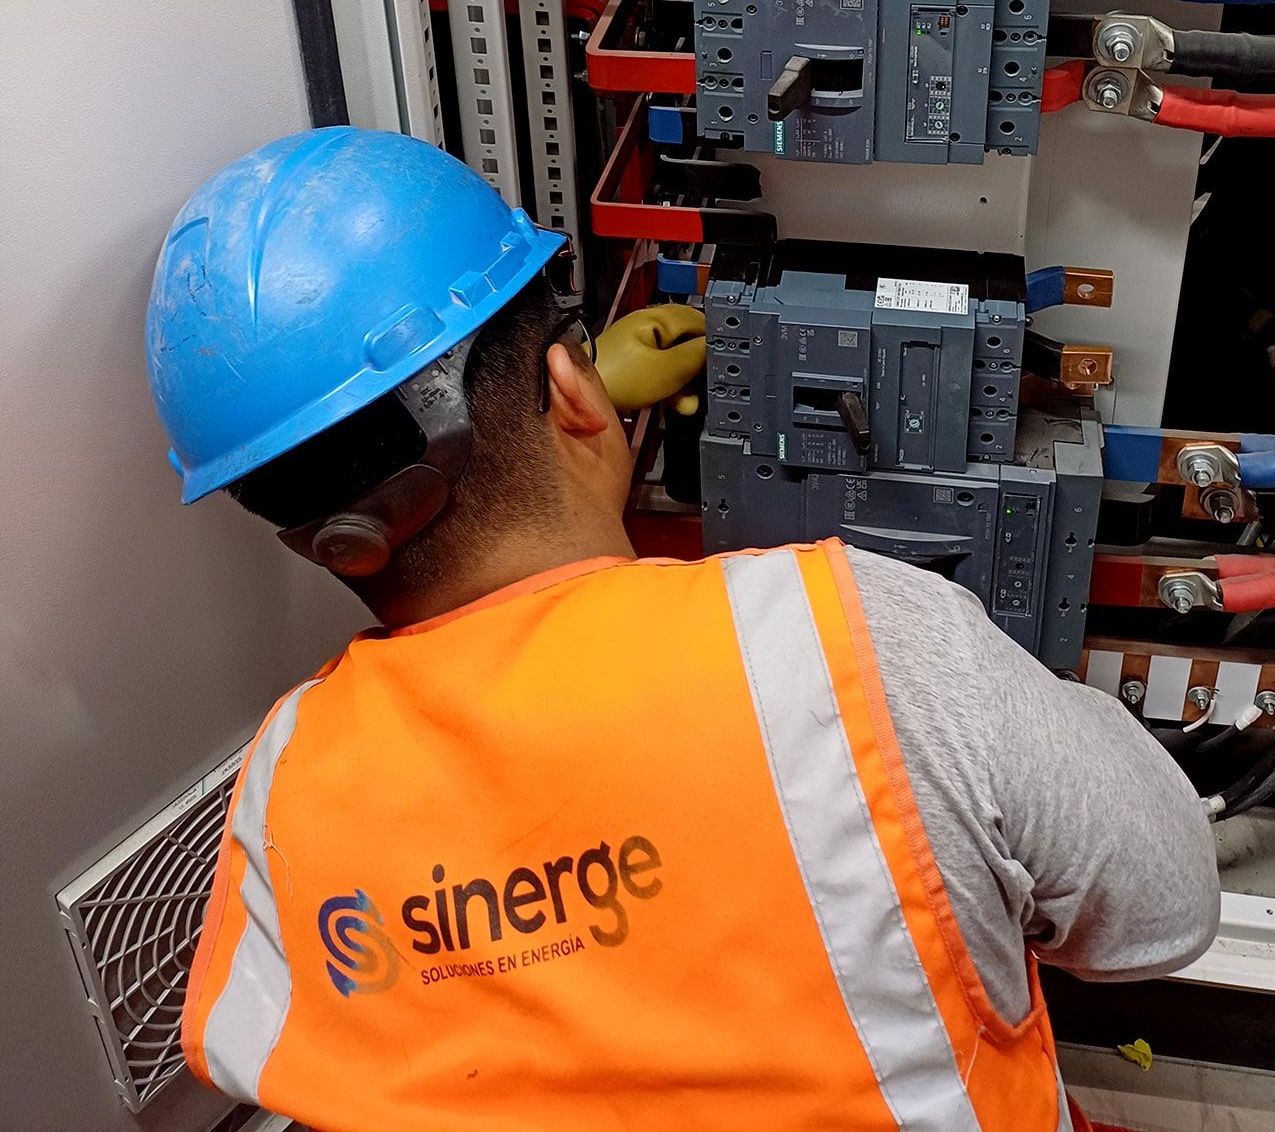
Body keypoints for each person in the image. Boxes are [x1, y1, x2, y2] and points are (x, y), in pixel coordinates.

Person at [148, 127, 1219, 1132]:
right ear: (571, 388)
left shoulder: (285, 784)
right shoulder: (861, 645)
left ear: (314, 536)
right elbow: (1164, 913)